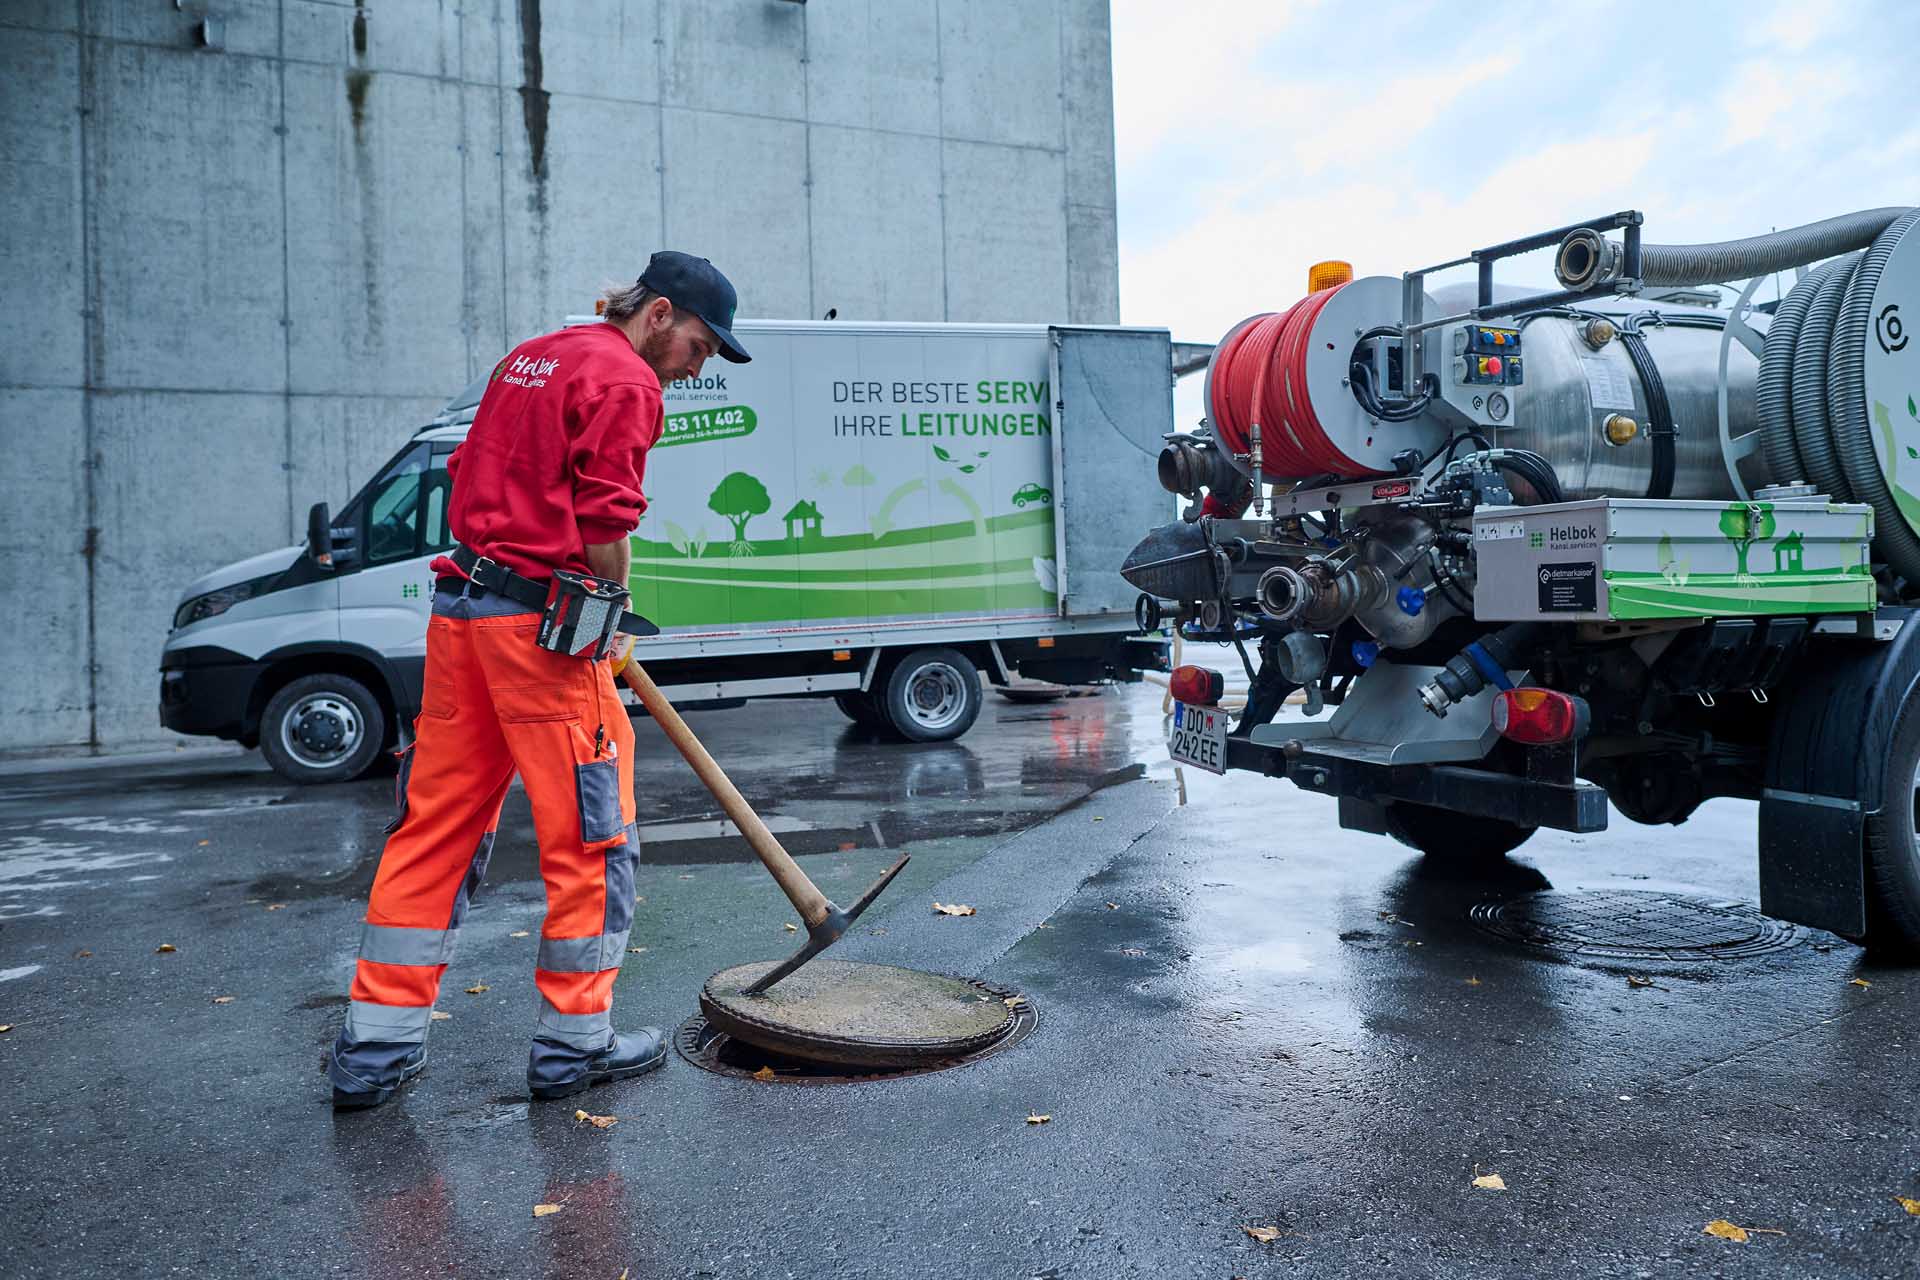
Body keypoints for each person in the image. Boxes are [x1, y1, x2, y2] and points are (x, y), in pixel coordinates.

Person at [328, 252, 751, 1109]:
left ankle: (374, 1049)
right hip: (541, 635)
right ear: (660, 314)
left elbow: (478, 472)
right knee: (592, 838)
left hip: (460, 616)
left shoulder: (534, 354)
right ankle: (575, 1046)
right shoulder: (628, 382)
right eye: (702, 347)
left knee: (435, 824)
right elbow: (603, 518)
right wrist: (606, 615)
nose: (699, 367)